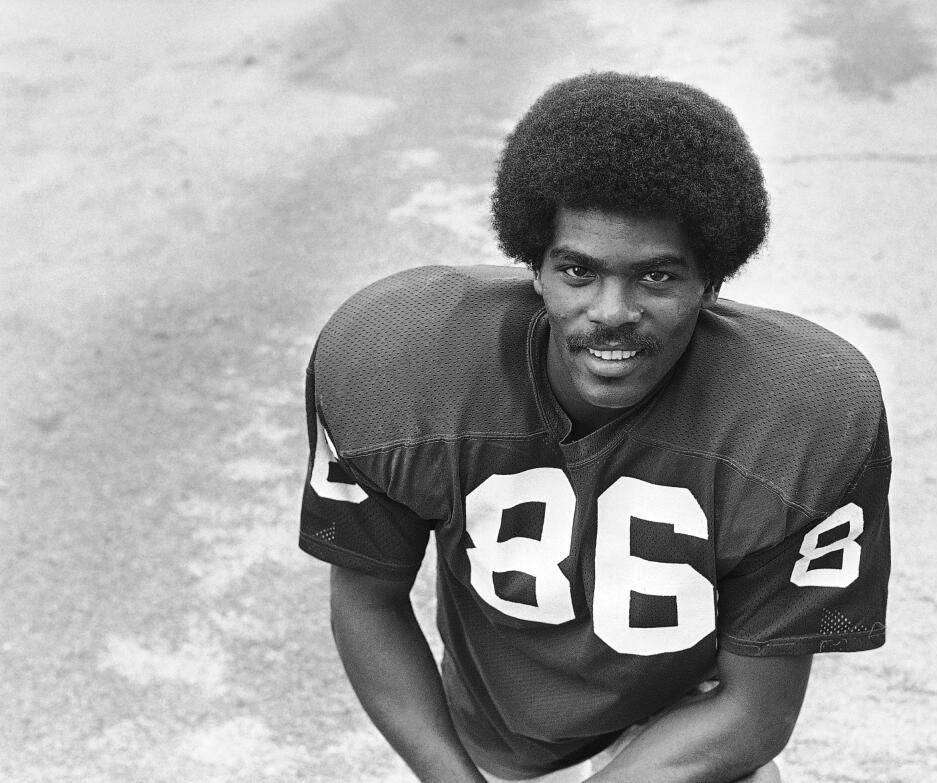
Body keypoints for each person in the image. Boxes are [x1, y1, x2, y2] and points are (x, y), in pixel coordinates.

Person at [299, 71, 891, 782]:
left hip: (686, 735)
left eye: (658, 277)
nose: (611, 310)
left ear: (713, 277)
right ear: (535, 267)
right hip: (501, 740)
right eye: (578, 270)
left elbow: (756, 712)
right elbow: (366, 597)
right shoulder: (405, 361)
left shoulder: (799, 416)